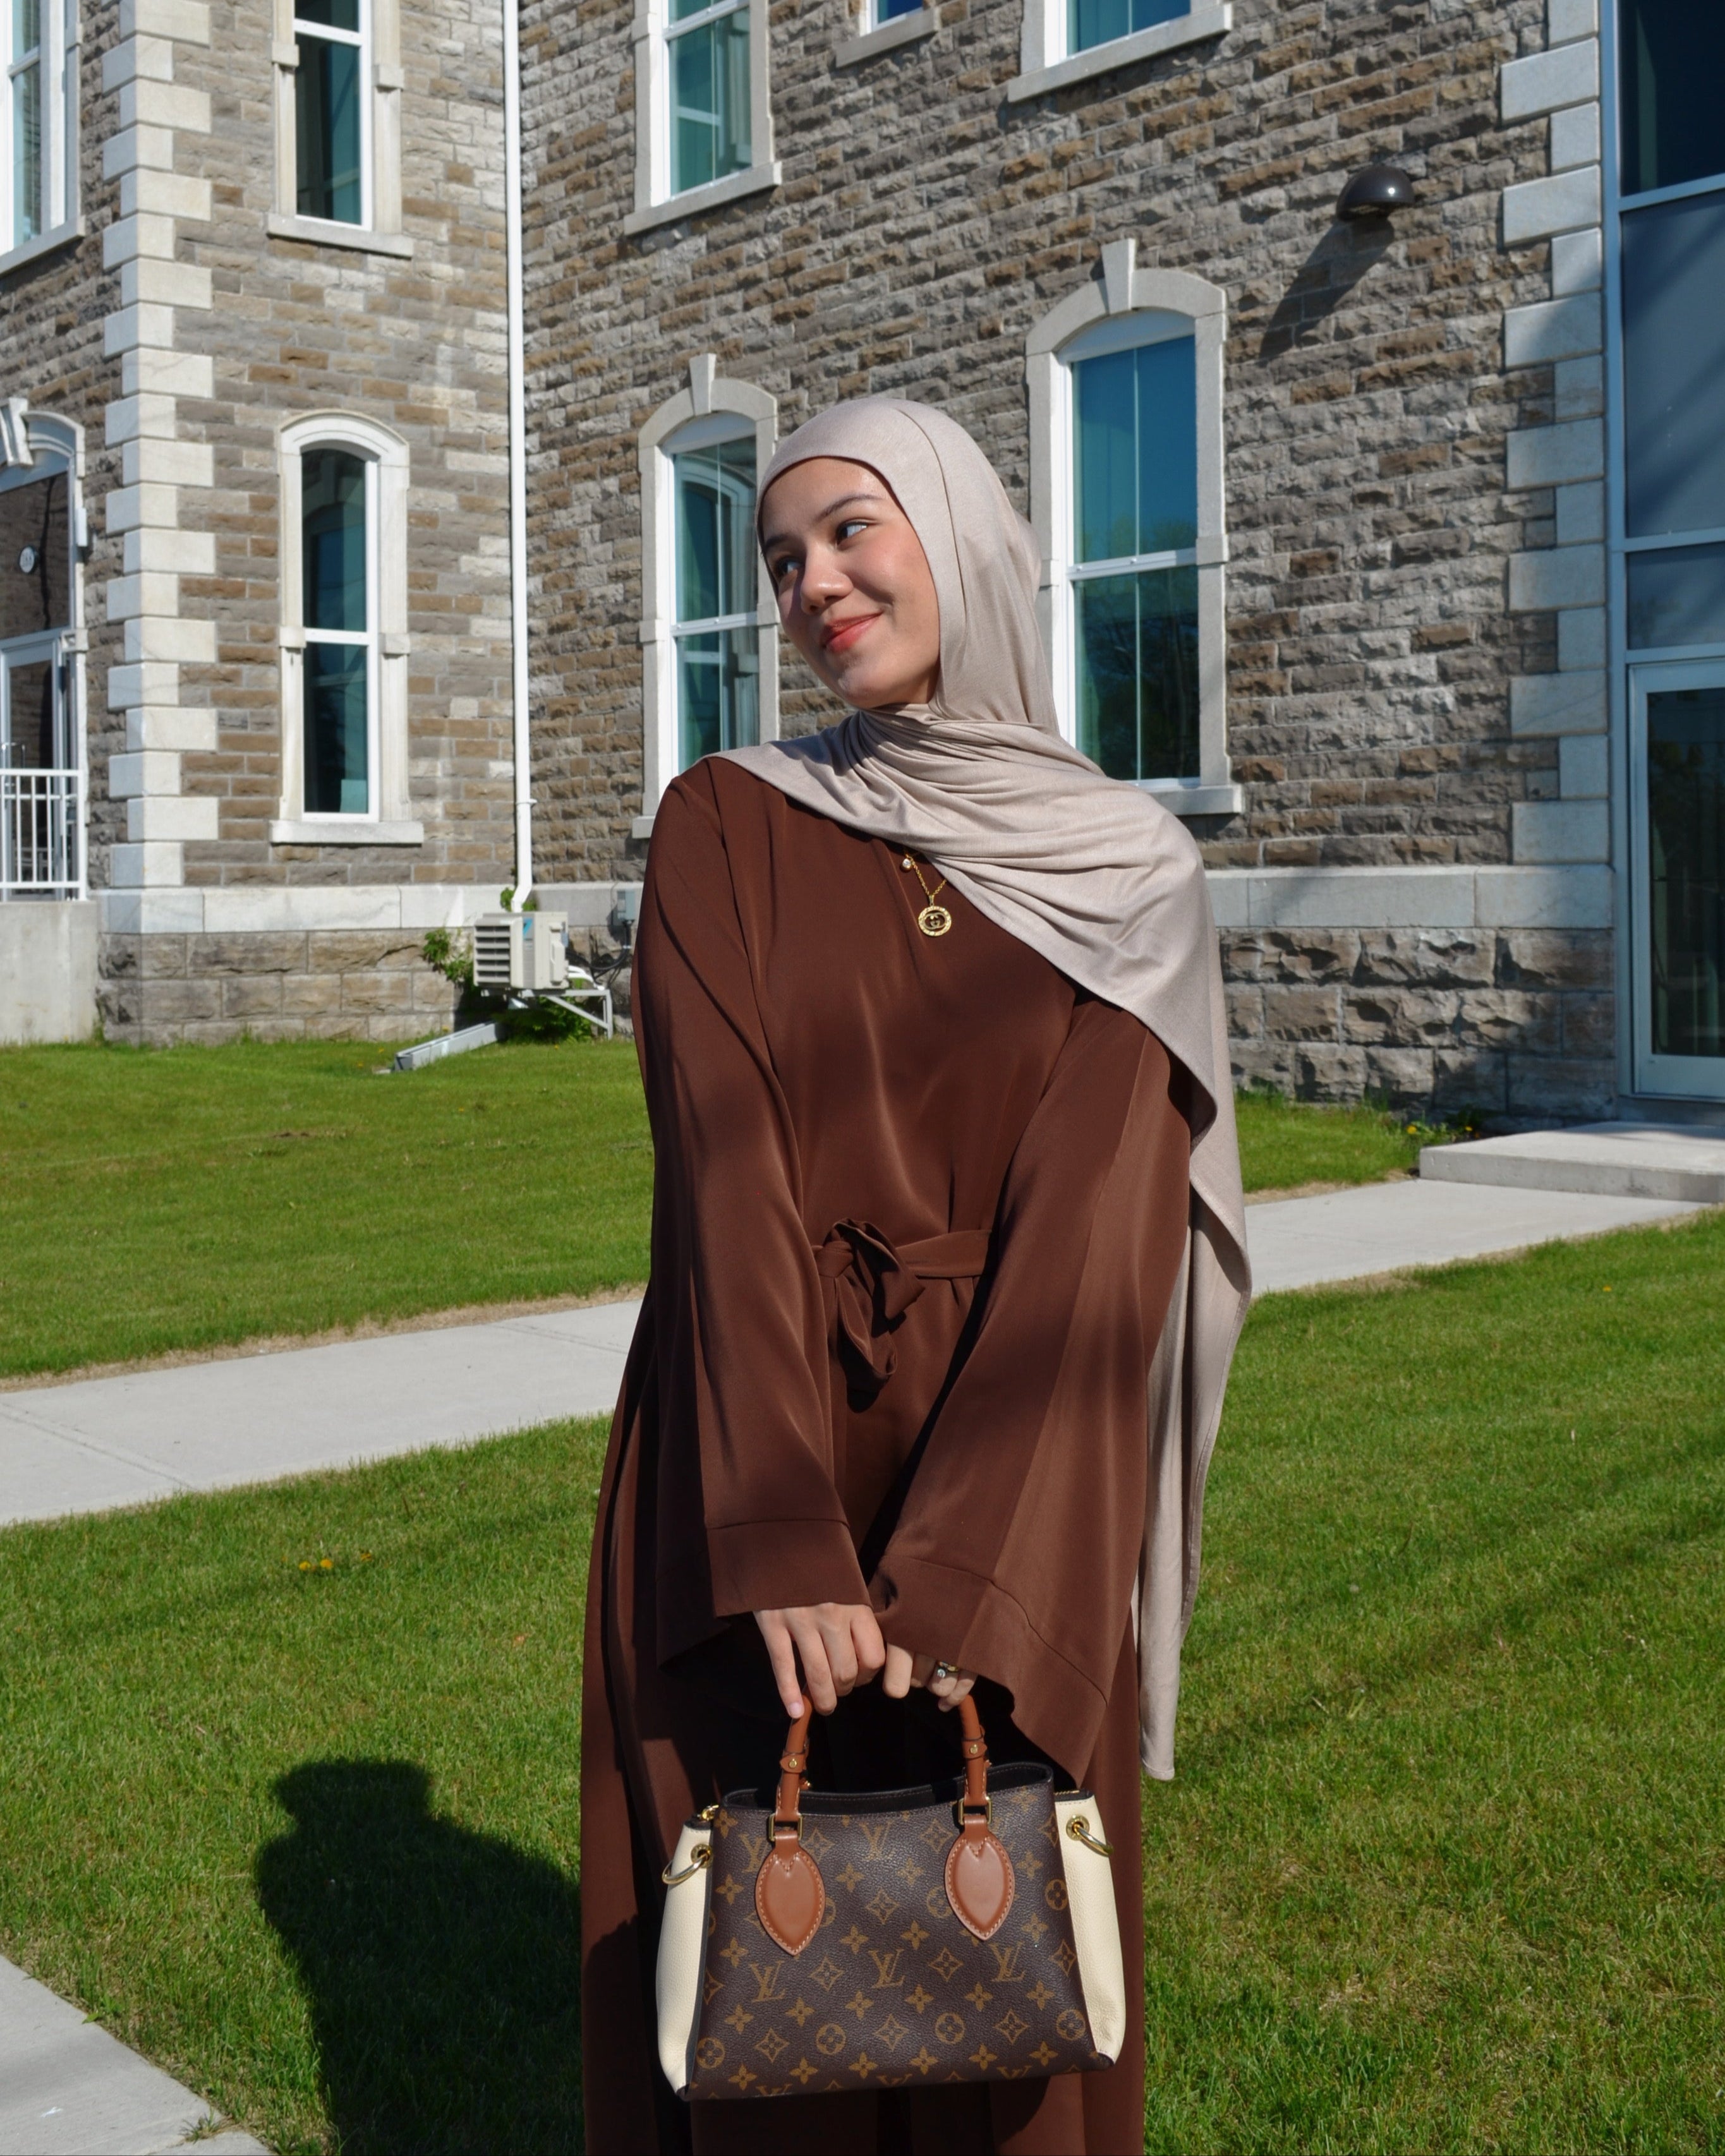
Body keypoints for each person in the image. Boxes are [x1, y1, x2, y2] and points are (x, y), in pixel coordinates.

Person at [579, 396, 1250, 2155]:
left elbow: (1108, 1231)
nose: (812, 582)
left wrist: (983, 1577)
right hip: (751, 1439)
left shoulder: (1127, 870)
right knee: (753, 1980)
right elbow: (717, 1170)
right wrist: (778, 1531)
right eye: (780, 558)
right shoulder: (726, 821)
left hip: (1023, 1454)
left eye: (850, 530)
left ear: (958, 538)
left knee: (994, 1953)